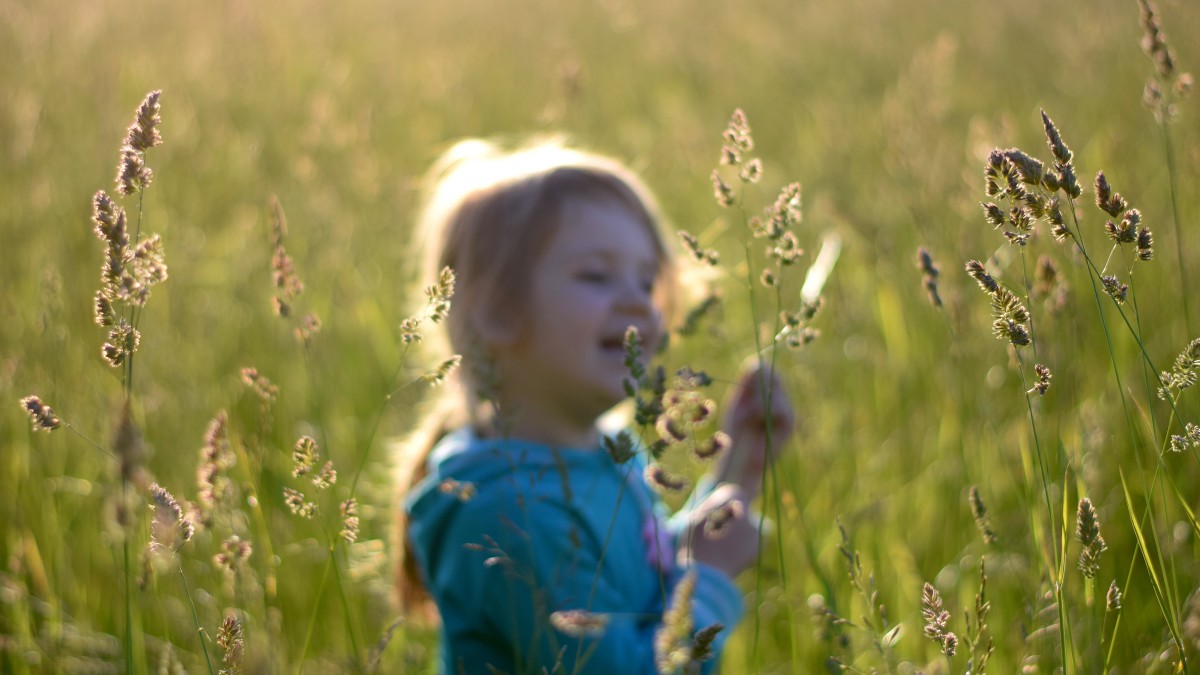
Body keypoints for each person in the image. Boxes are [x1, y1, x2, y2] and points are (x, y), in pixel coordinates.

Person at [395, 138, 795, 674]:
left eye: (646, 279)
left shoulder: (597, 452)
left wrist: (737, 471)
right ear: (497, 312)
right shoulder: (510, 510)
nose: (638, 301)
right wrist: (710, 582)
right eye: (595, 275)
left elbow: (633, 584)